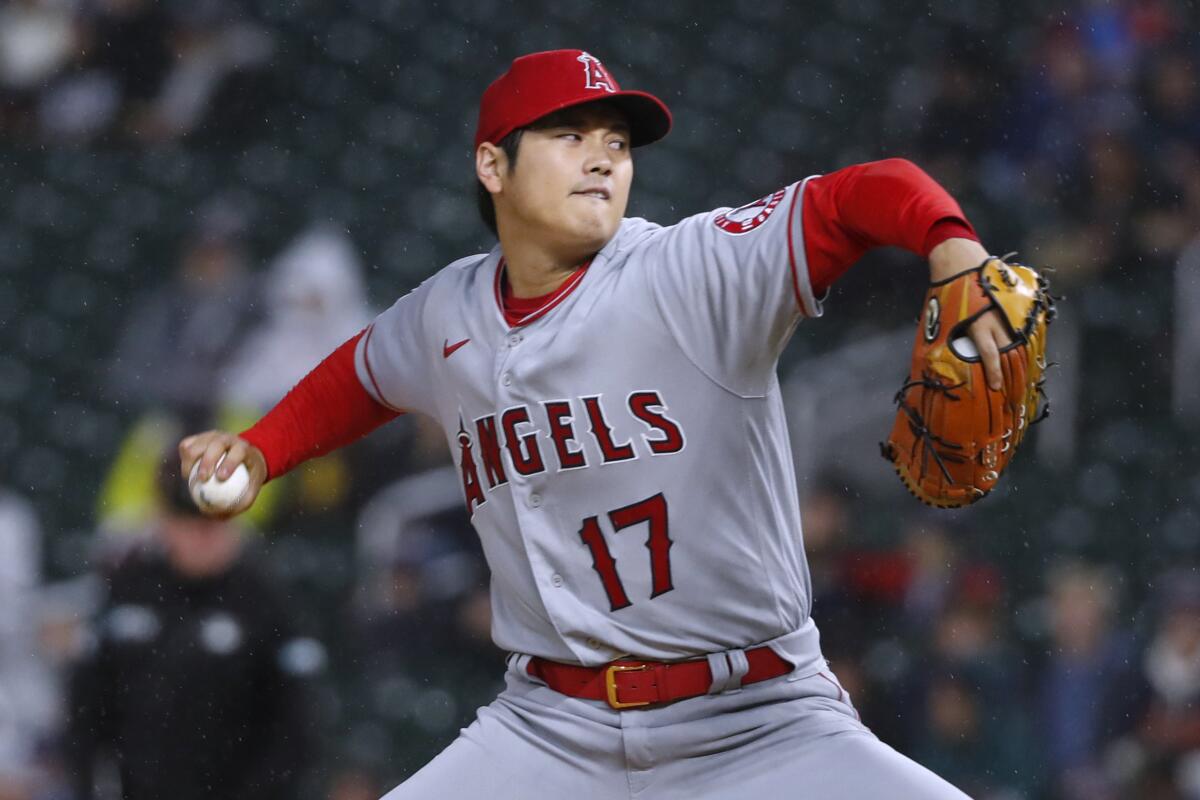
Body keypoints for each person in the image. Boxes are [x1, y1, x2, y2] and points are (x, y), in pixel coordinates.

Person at [181, 49, 1020, 798]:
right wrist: (260, 451)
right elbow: (359, 378)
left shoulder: (689, 270)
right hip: (551, 726)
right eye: (569, 136)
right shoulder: (449, 309)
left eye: (616, 143)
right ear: (492, 165)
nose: (603, 159)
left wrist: (950, 244)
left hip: (761, 720)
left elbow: (855, 197)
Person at [66, 455, 322, 800]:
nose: (205, 537)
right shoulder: (128, 591)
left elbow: (295, 726)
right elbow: (86, 711)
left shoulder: (265, 603)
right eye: (191, 522)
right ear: (163, 521)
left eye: (217, 523)